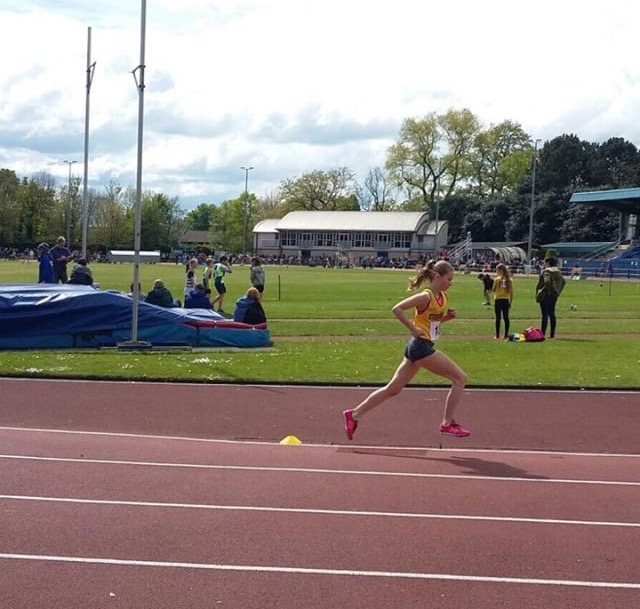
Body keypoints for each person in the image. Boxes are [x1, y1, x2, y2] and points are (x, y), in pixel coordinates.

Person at [342, 259, 469, 441]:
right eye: (449, 279)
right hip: (420, 347)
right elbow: (397, 309)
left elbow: (430, 322)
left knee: (392, 389)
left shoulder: (442, 297)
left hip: (419, 347)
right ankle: (447, 424)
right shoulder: (425, 296)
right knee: (460, 378)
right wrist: (412, 329)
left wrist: (446, 318)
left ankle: (354, 415)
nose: (451, 283)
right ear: (437, 277)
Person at [535, 256, 566, 339]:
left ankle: (543, 334)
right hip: (554, 295)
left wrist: (543, 290)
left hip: (545, 295)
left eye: (545, 262)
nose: (544, 264)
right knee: (552, 313)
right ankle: (552, 334)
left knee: (544, 315)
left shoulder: (547, 271)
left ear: (548, 263)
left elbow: (547, 281)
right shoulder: (558, 271)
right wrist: (557, 291)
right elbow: (563, 282)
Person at [492, 263, 513, 339]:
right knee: (506, 317)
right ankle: (506, 335)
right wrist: (510, 302)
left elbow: (493, 289)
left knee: (498, 318)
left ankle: (497, 335)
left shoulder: (497, 279)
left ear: (500, 270)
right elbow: (511, 292)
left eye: (497, 270)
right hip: (506, 300)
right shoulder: (509, 280)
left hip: (498, 299)